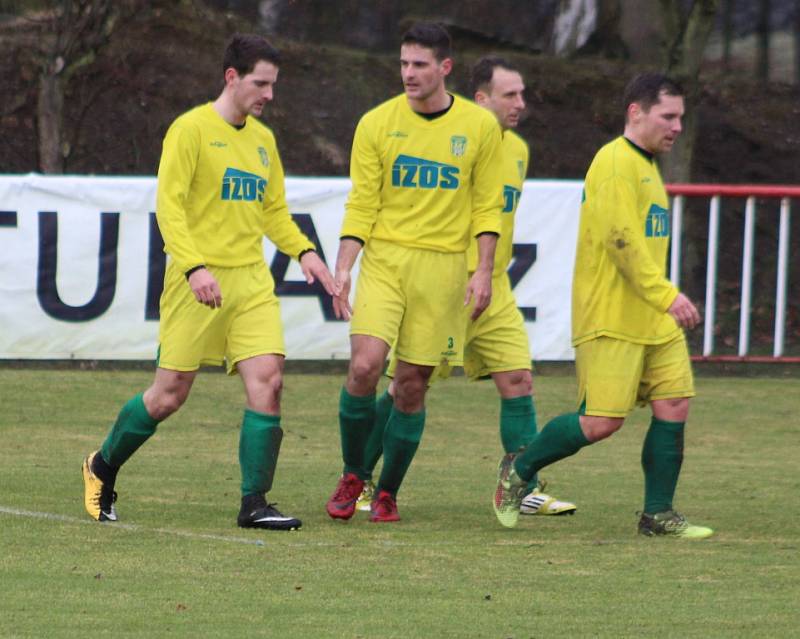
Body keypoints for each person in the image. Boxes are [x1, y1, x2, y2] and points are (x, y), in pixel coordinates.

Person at [81, 33, 335, 531]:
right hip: (195, 281)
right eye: (261, 83)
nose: (269, 95)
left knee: (270, 381)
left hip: (251, 284)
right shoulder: (191, 130)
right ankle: (102, 465)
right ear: (232, 77)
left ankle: (254, 503)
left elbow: (274, 212)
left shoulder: (263, 142)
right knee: (169, 395)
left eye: (274, 85)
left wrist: (306, 252)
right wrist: (195, 266)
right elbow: (169, 206)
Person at [493, 72, 713, 539]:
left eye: (681, 118)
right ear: (636, 112)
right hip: (611, 316)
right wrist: (667, 294)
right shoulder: (614, 162)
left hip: (652, 318)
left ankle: (657, 514)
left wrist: (659, 301)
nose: (677, 127)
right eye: (668, 116)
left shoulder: (650, 165)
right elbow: (620, 241)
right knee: (600, 423)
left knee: (674, 403)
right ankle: (519, 471)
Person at [355, 56, 576, 517]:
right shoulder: (443, 138)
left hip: (493, 288)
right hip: (446, 286)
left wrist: (487, 271)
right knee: (403, 389)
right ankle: (360, 477)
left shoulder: (516, 149)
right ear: (480, 99)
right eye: (509, 94)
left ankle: (522, 485)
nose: (521, 103)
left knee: (518, 379)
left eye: (522, 94)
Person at [325, 23, 505, 523]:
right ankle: (352, 473)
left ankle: (388, 491)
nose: (408, 73)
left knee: (410, 385)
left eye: (419, 65)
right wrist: (344, 266)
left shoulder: (480, 127)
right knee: (363, 368)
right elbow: (361, 203)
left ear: (444, 68)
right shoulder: (376, 124)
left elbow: (489, 208)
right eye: (403, 63)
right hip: (385, 261)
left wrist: (483, 271)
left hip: (443, 268)